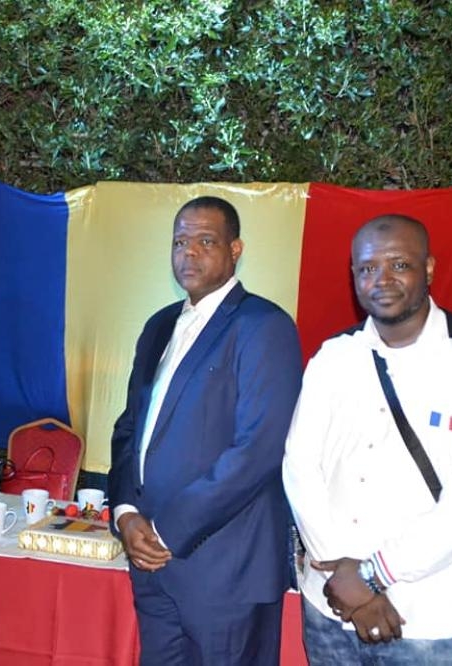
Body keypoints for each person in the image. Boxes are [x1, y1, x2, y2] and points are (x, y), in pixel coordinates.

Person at [282, 214, 452, 665]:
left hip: (434, 623)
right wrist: (348, 582)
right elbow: (299, 467)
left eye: (399, 264)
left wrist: (373, 576)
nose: (382, 279)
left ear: (429, 269)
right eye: (367, 268)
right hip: (331, 609)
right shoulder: (333, 358)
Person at [108, 196, 303, 665]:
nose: (188, 253)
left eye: (205, 241)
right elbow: (129, 430)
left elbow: (258, 450)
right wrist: (126, 513)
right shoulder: (158, 326)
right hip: (153, 565)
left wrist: (166, 530)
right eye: (179, 242)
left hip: (227, 571)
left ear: (235, 250)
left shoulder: (264, 326)